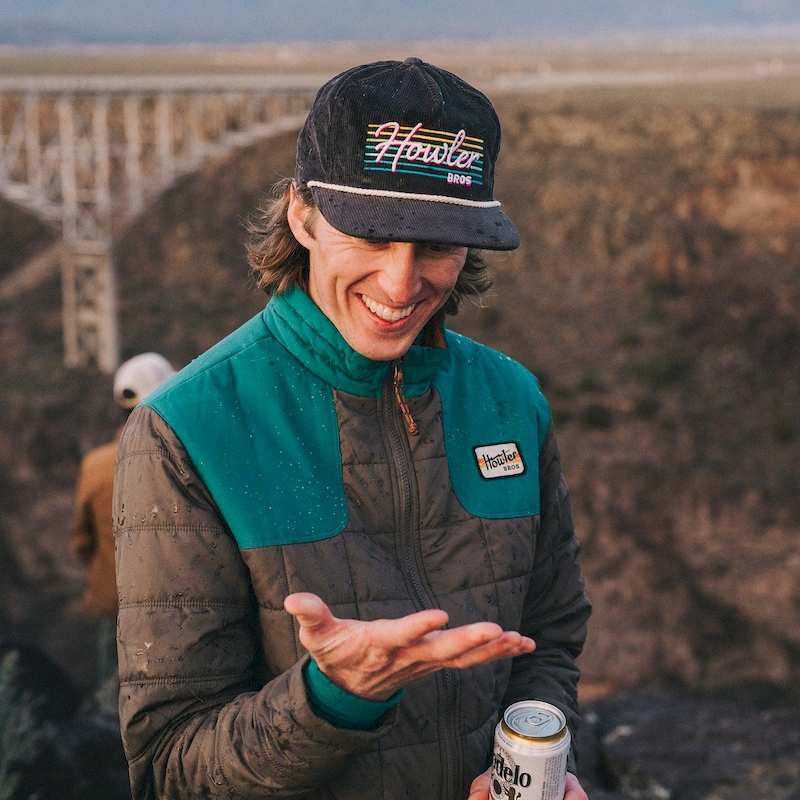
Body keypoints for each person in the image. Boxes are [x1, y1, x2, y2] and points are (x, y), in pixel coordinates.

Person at [114, 58, 591, 800]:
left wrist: (531, 763)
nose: (401, 284)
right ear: (301, 214)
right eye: (371, 236)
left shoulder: (509, 399)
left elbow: (549, 637)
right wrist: (334, 697)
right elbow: (170, 766)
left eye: (437, 245)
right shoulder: (187, 432)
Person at [70, 352, 175, 706]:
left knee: (110, 703)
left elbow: (81, 542)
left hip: (112, 605)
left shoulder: (94, 464)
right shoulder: (182, 458)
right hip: (169, 609)